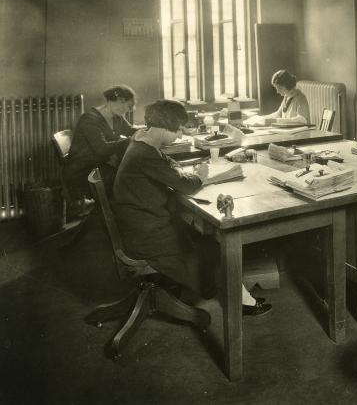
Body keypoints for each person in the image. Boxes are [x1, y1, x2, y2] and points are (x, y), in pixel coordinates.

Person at [113, 99, 270, 316]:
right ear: (164, 127)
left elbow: (168, 164)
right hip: (147, 236)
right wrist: (199, 177)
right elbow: (186, 185)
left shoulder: (141, 141)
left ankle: (230, 292)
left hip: (138, 226)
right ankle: (240, 301)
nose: (179, 135)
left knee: (201, 237)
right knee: (214, 245)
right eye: (178, 130)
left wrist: (184, 173)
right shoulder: (145, 153)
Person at [65, 84, 138, 200]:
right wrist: (128, 141)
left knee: (131, 173)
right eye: (125, 105)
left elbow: (130, 130)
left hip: (100, 166)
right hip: (84, 172)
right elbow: (102, 150)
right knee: (128, 178)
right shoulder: (89, 119)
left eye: (129, 106)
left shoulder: (116, 117)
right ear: (115, 100)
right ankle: (113, 212)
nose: (127, 109)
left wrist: (148, 132)